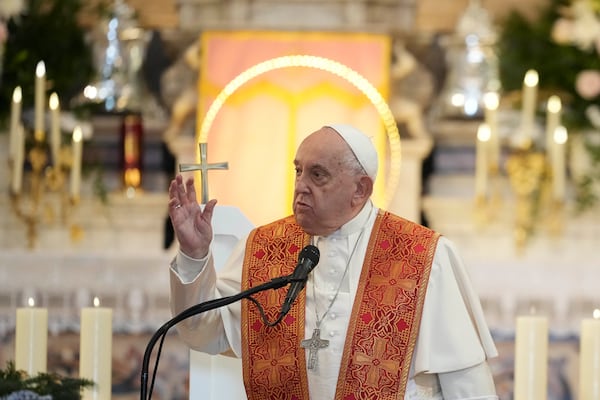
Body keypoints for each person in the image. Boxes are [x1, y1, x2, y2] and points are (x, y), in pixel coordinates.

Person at [168, 124, 499, 400]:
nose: (301, 186)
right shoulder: (264, 248)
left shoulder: (422, 257)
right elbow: (202, 333)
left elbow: (468, 385)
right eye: (298, 171)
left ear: (360, 189)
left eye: (318, 175)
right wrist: (194, 255)